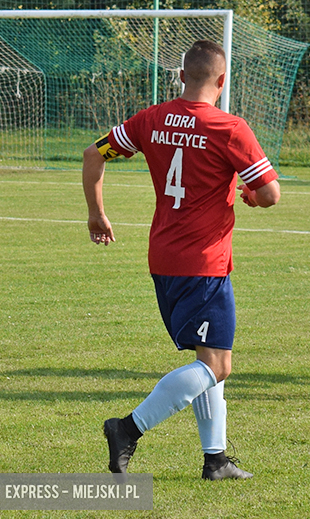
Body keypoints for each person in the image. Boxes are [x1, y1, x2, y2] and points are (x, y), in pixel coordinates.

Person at [82, 40, 281, 480]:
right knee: (217, 365)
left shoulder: (152, 119)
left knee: (209, 359)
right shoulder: (228, 128)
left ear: (180, 76)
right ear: (223, 80)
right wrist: (249, 194)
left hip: (164, 256)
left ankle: (216, 459)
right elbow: (269, 194)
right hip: (203, 262)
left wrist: (97, 214)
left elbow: (94, 153)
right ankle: (127, 429)